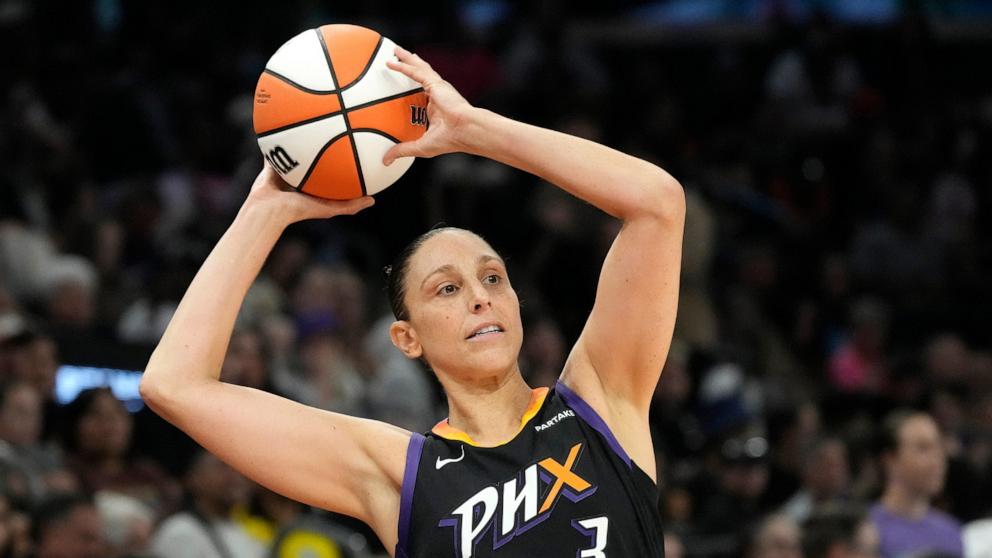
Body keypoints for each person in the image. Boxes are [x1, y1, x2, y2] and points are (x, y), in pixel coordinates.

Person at [140, 45, 684, 557]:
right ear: (407, 338)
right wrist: (263, 213)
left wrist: (473, 129)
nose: (479, 298)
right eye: (447, 288)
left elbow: (656, 203)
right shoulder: (399, 475)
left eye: (493, 279)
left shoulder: (599, 405)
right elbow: (173, 386)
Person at [869, 410, 963, 558]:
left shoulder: (951, 531)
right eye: (923, 448)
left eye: (940, 447)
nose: (937, 459)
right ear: (890, 460)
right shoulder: (868, 530)